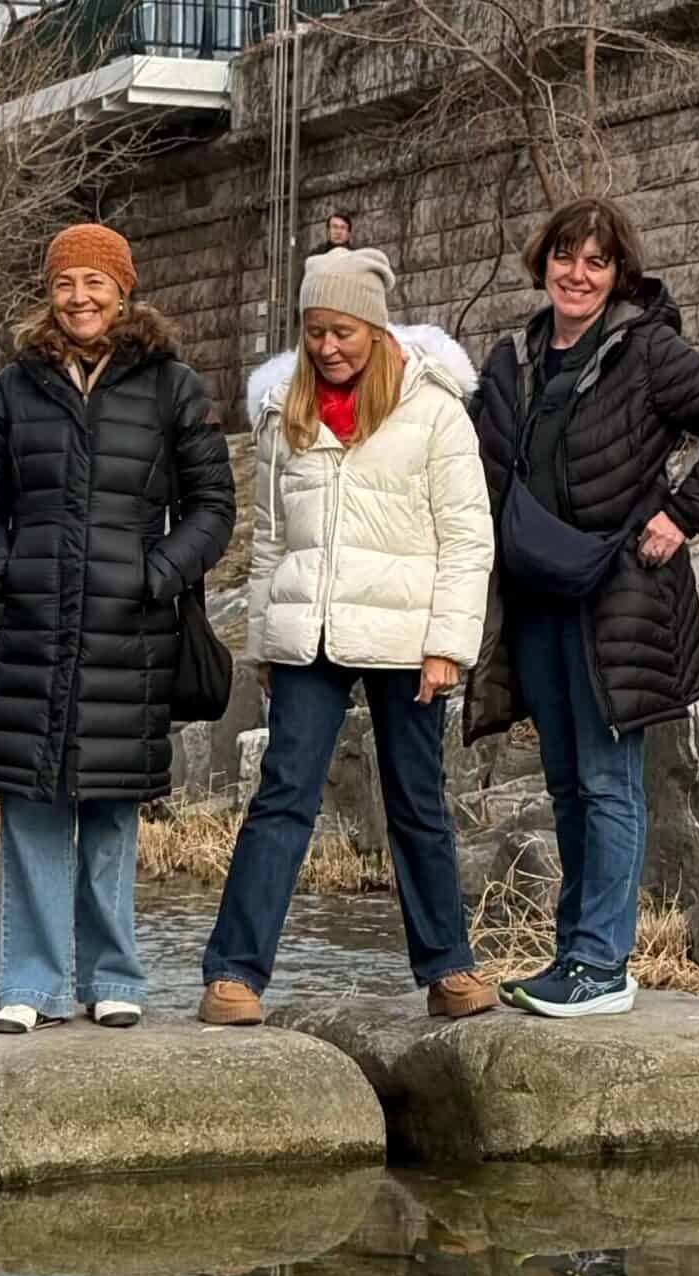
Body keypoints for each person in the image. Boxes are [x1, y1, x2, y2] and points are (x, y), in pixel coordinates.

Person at [467, 196, 699, 1017]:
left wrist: (683, 514)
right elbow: (474, 468)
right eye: (566, 256)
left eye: (597, 261)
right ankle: (574, 955)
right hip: (535, 594)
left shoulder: (647, 352)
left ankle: (604, 965)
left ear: (618, 274)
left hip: (619, 594)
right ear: (544, 263)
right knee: (566, 784)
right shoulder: (512, 360)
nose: (578, 273)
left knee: (609, 783)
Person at [199, 248, 495, 1027]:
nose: (328, 348)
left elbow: (468, 539)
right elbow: (269, 541)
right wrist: (265, 640)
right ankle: (233, 973)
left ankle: (448, 967)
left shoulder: (434, 410)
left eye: (343, 332)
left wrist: (447, 645)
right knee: (283, 795)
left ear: (374, 326)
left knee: (416, 800)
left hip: (407, 639)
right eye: (315, 332)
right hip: (311, 637)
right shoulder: (282, 417)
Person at [0, 223, 236, 1034]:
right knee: (33, 805)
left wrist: (157, 576)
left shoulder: (173, 385)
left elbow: (213, 507)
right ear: (50, 295)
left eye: (95, 283)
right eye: (65, 283)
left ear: (124, 290)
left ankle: (113, 977)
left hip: (129, 633)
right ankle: (31, 985)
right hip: (33, 628)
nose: (79, 298)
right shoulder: (15, 389)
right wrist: (3, 574)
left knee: (111, 809)